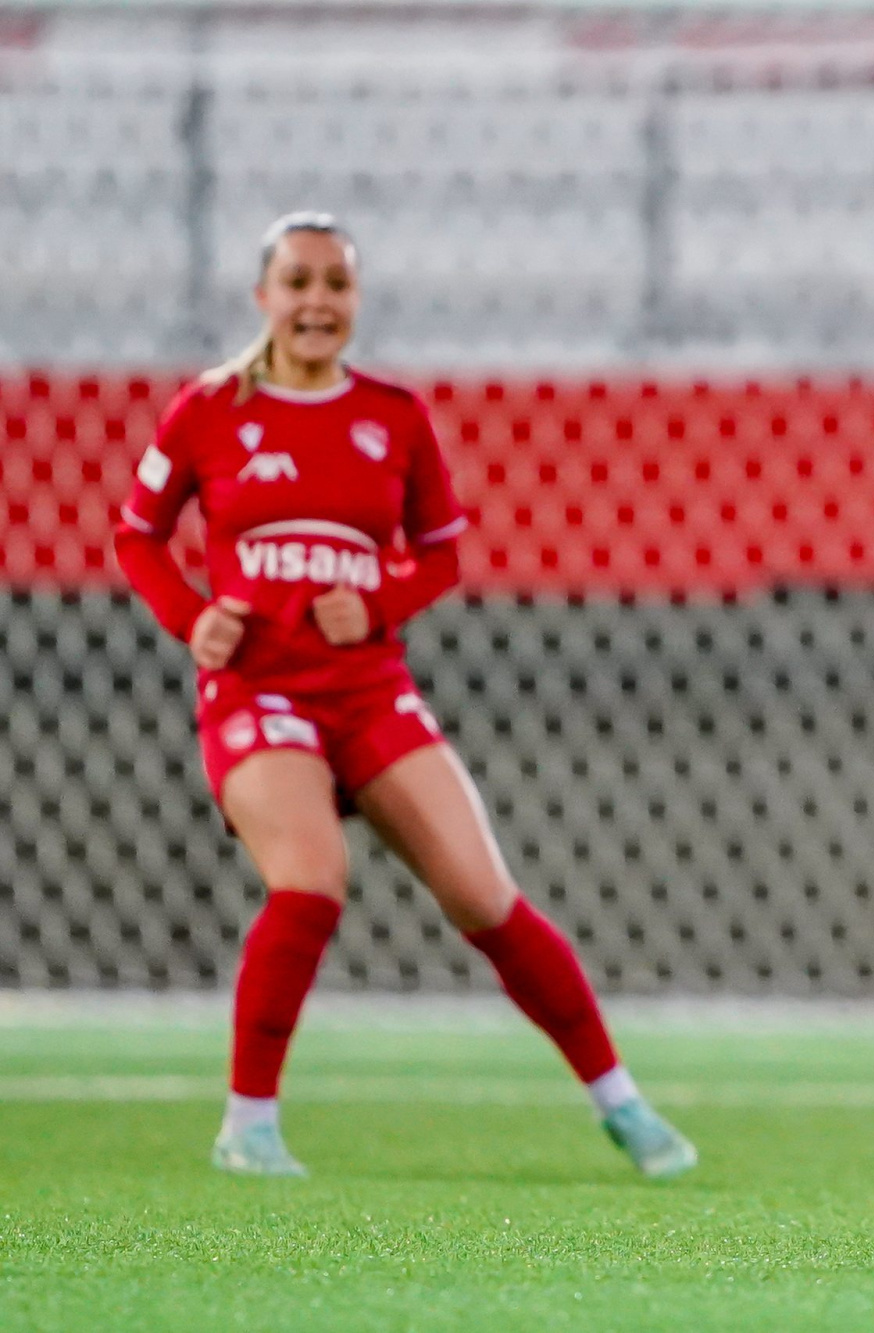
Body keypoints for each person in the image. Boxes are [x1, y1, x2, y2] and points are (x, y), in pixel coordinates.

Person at [114, 212, 696, 1182]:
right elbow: (137, 534)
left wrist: (377, 602)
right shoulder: (208, 410)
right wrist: (191, 615)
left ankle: (620, 1101)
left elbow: (439, 554)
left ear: (356, 299)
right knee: (311, 878)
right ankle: (248, 1125)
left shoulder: (393, 415)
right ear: (263, 296)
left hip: (367, 689)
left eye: (336, 284)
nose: (317, 302)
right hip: (258, 689)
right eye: (298, 282)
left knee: (482, 894)